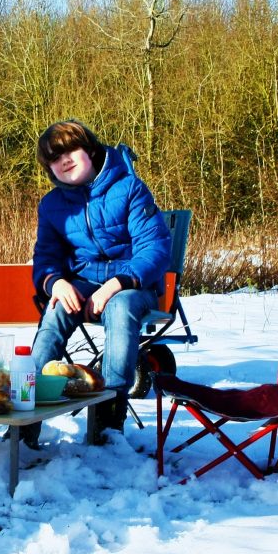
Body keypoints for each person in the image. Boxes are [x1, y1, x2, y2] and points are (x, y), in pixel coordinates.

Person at [23, 120, 171, 447]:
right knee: (57, 308)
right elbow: (46, 255)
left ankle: (108, 418)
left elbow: (156, 248)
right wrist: (55, 282)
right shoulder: (52, 205)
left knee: (121, 305)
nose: (64, 161)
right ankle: (25, 414)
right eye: (54, 158)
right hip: (84, 282)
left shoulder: (129, 188)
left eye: (70, 151)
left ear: (89, 150)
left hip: (134, 285)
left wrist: (117, 283)